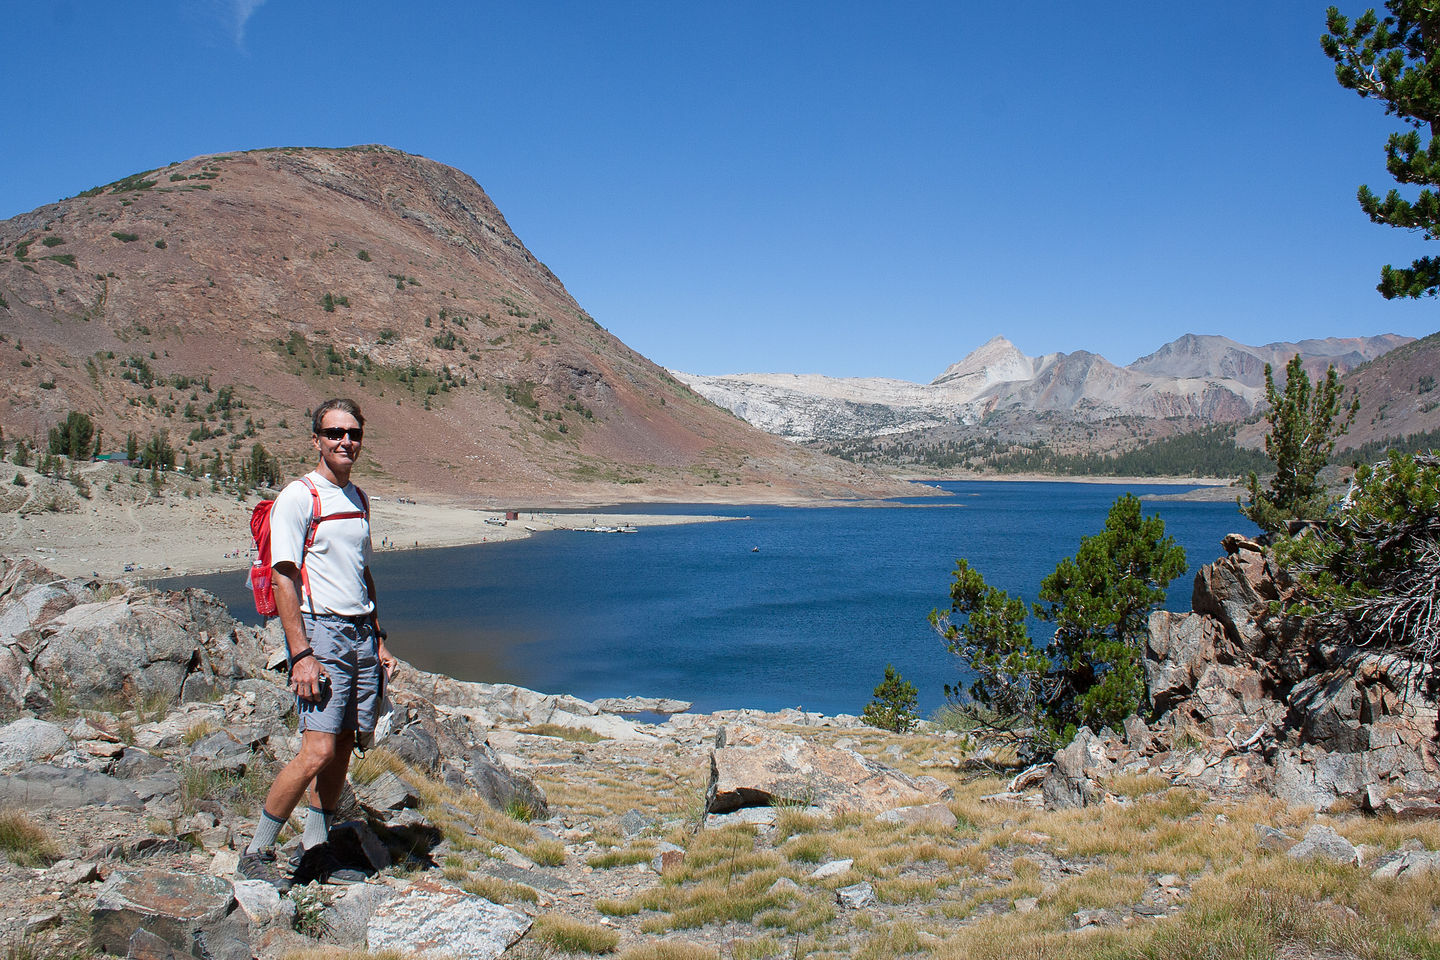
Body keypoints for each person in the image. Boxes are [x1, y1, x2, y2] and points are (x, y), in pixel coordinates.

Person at [238, 398, 397, 890]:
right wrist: (301, 653)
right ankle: (257, 850)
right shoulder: (300, 497)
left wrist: (380, 639)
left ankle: (315, 851)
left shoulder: (358, 498)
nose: (344, 441)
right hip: (321, 632)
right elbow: (285, 578)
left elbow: (360, 572)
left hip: (359, 634)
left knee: (346, 742)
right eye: (334, 433)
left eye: (352, 433)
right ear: (316, 440)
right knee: (317, 750)